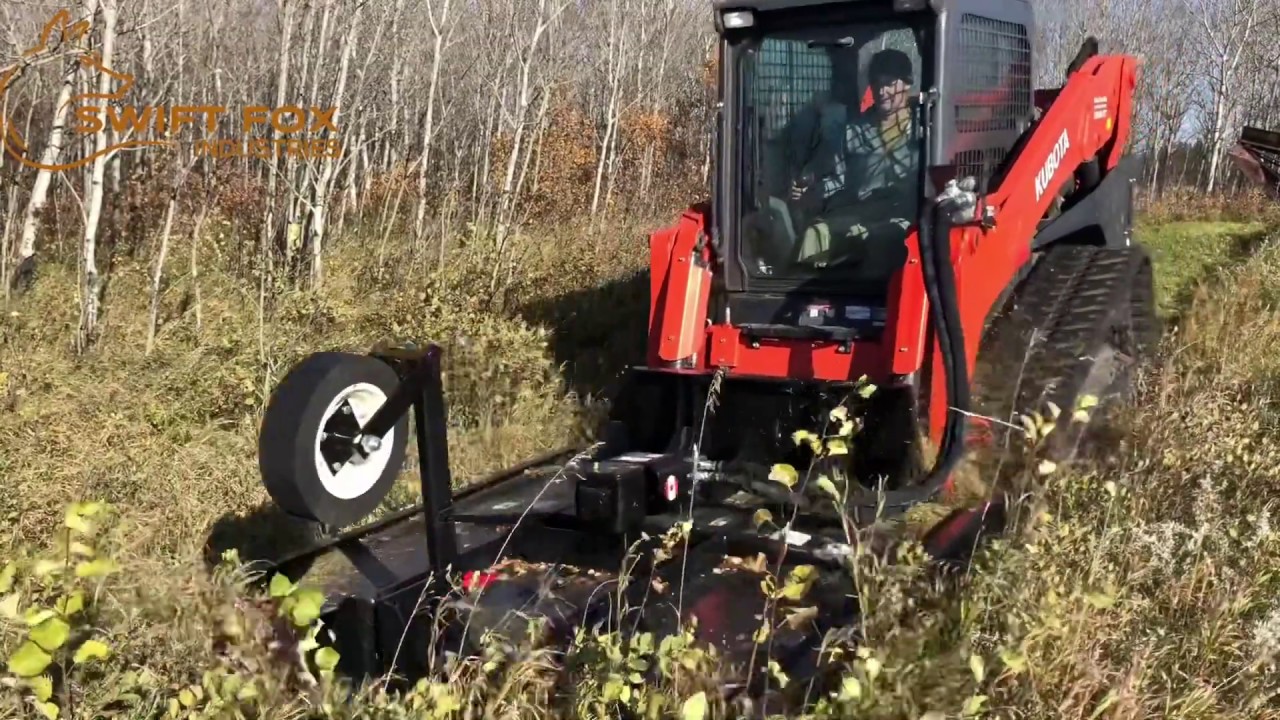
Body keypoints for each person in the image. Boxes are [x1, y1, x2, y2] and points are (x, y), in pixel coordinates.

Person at [790, 47, 919, 267]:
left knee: (881, 240)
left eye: (889, 83)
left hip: (904, 217)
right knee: (814, 234)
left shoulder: (923, 129)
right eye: (876, 83)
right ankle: (801, 296)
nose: (881, 91)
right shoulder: (853, 131)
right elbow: (839, 179)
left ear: (907, 83)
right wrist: (812, 192)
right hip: (859, 214)